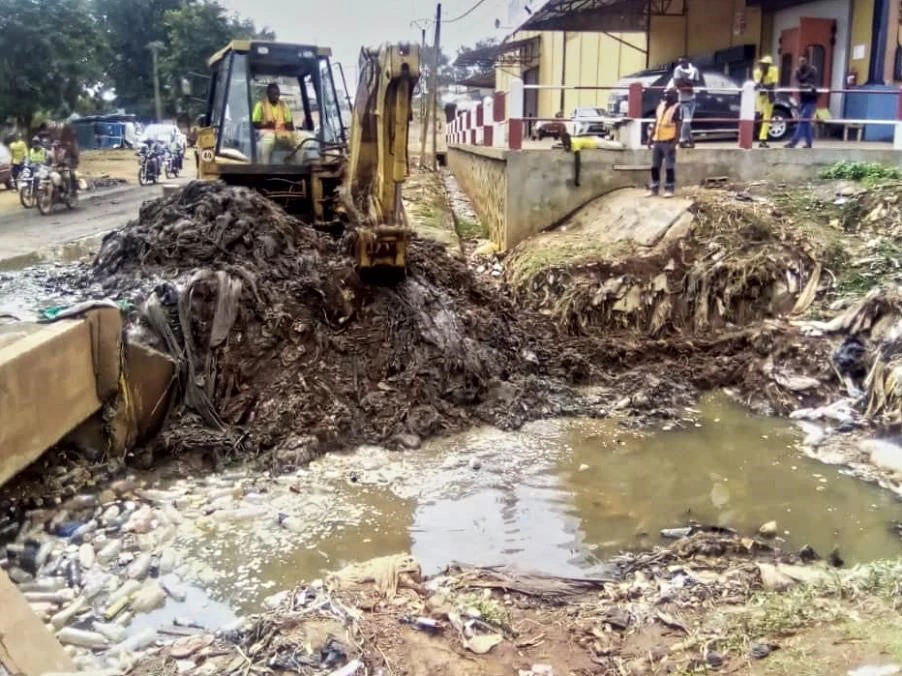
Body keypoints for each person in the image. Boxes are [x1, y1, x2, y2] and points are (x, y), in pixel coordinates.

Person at [646, 88, 681, 198]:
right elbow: (656, 122)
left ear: (675, 96)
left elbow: (679, 127)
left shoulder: (677, 108)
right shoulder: (661, 106)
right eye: (666, 94)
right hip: (658, 140)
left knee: (669, 166)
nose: (667, 96)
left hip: (669, 141)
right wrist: (650, 138)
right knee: (655, 166)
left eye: (669, 94)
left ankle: (669, 189)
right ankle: (654, 188)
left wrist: (675, 143)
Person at [252, 83, 295, 163]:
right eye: (274, 94)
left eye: (277, 94)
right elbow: (254, 123)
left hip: (282, 134)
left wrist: (290, 135)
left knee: (300, 141)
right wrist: (266, 125)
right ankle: (264, 167)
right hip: (266, 133)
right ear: (268, 94)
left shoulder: (283, 105)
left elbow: (289, 123)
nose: (276, 96)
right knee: (268, 140)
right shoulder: (260, 105)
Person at [785, 55, 818, 149]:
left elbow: (811, 83)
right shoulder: (798, 71)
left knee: (803, 119)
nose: (802, 63)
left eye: (803, 61)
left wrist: (803, 85)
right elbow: (796, 82)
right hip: (803, 99)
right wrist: (796, 74)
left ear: (807, 61)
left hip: (811, 99)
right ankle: (809, 143)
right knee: (806, 122)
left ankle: (794, 141)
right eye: (800, 61)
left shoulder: (812, 70)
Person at [667, 56, 700, 148]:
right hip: (682, 100)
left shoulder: (694, 70)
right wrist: (689, 84)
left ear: (688, 62)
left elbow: (696, 83)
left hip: (692, 99)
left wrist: (685, 82)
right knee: (686, 120)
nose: (681, 64)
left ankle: (690, 140)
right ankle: (682, 139)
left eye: (683, 62)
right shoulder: (677, 69)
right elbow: (677, 83)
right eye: (680, 62)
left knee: (688, 121)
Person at [753, 54, 779, 148]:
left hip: (769, 96)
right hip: (760, 96)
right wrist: (762, 85)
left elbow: (772, 84)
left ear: (769, 65)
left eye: (766, 64)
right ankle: (755, 135)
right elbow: (757, 85)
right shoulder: (757, 72)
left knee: (767, 118)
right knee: (757, 115)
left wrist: (763, 86)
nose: (764, 66)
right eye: (762, 64)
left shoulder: (774, 70)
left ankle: (762, 139)